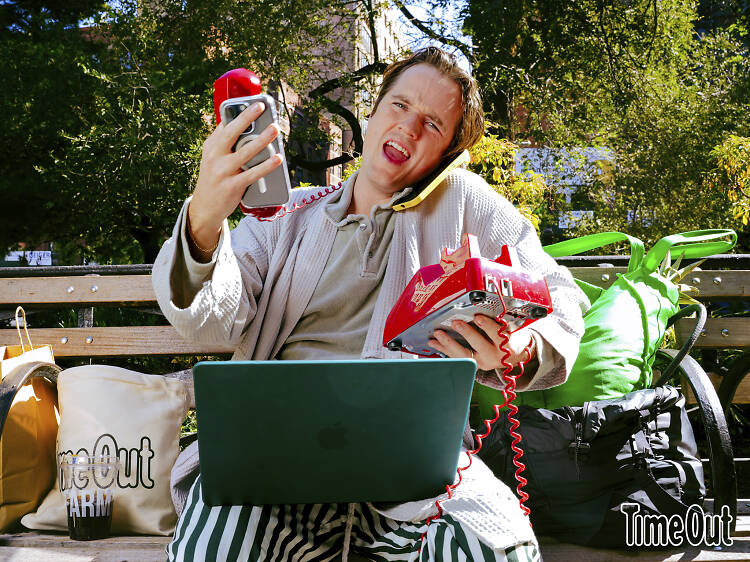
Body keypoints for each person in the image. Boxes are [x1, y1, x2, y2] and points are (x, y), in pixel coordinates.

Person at [152, 46, 588, 561]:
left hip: (416, 484)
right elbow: (211, 323)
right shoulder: (281, 216)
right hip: (269, 470)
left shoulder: (468, 203)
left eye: (431, 123)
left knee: (500, 552)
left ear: (448, 152)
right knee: (215, 551)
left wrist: (521, 344)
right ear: (373, 112)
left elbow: (559, 296)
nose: (408, 128)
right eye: (399, 106)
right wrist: (204, 218)